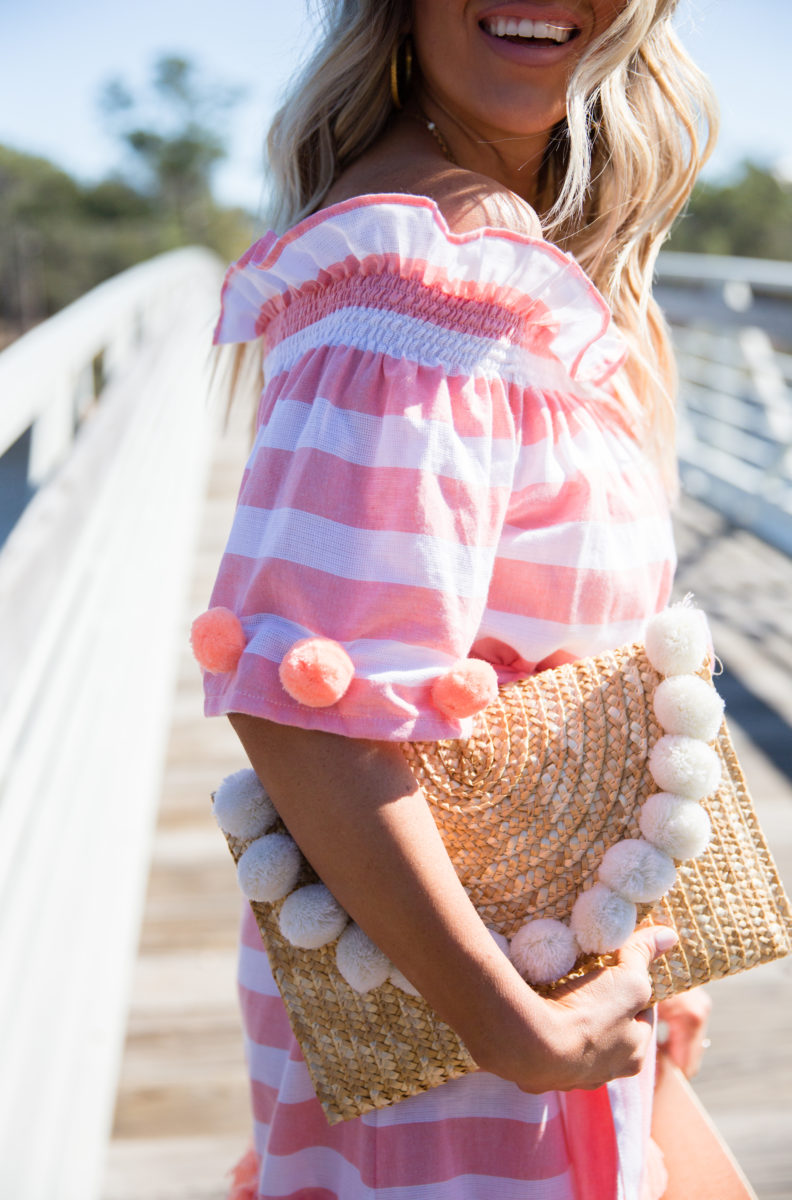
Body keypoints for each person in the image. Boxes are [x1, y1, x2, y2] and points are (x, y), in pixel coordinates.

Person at [196, 2, 717, 1196]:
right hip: (466, 1038)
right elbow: (299, 700)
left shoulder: (507, 262)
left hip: (522, 983)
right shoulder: (426, 281)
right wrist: (511, 1028)